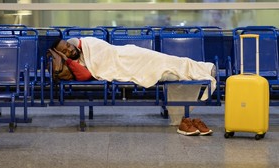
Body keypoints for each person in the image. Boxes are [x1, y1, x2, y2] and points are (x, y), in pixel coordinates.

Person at [51, 36, 216, 136]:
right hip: (125, 65)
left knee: (165, 60)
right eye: (65, 52)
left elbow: (106, 54)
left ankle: (203, 68)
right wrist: (67, 60)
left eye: (68, 46)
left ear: (71, 42)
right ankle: (201, 70)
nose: (69, 50)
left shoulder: (89, 43)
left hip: (129, 54)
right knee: (166, 69)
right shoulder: (78, 62)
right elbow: (86, 74)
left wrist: (69, 58)